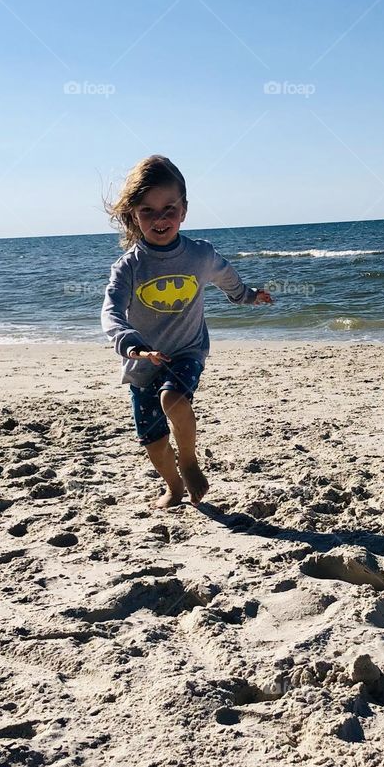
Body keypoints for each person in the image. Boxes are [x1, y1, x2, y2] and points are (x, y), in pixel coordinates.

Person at [101, 155, 273, 508]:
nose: (160, 218)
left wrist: (249, 296)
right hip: (143, 362)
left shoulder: (199, 255)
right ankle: (173, 486)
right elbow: (111, 312)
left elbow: (228, 278)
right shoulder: (129, 267)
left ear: (184, 210)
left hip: (187, 352)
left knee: (172, 399)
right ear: (133, 214)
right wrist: (132, 347)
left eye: (169, 208)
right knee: (152, 440)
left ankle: (190, 460)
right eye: (147, 210)